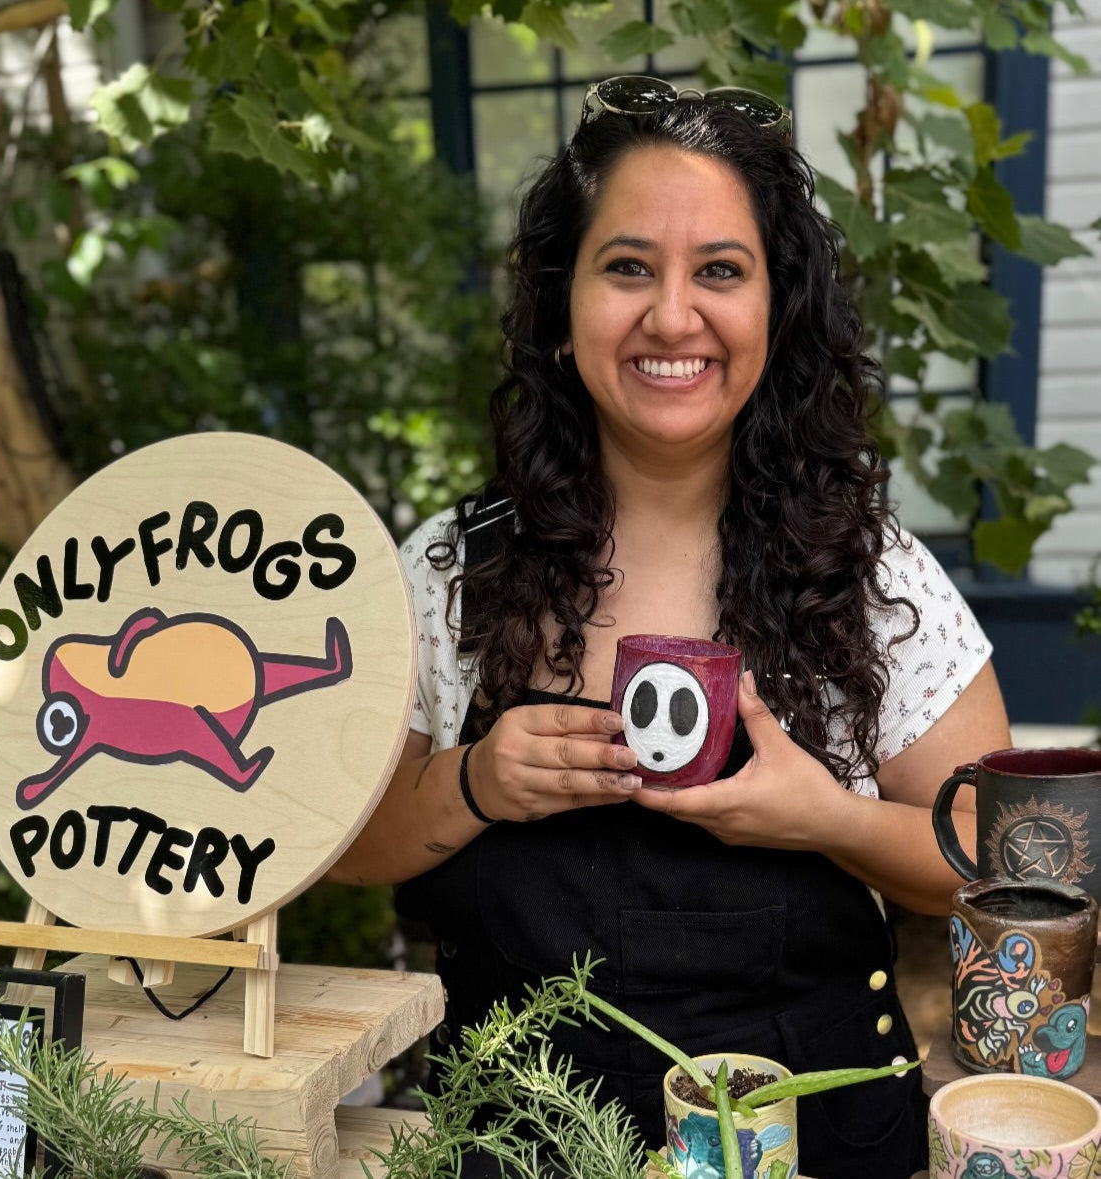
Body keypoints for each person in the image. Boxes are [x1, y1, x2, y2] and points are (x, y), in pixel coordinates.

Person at [328, 75, 1010, 1178]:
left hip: (819, 1141)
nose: (672, 316)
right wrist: (474, 784)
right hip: (514, 1144)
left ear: (776, 313)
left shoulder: (866, 569)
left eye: (721, 272)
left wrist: (823, 817)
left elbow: (995, 852)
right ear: (560, 307)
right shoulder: (456, 572)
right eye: (628, 266)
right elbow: (342, 845)